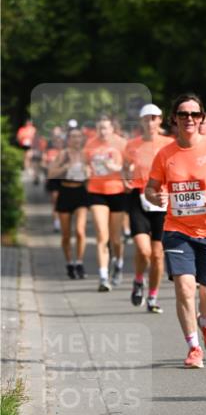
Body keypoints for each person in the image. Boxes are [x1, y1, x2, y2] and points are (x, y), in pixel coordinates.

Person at [144, 93, 206, 368]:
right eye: (183, 114)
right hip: (178, 229)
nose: (189, 119)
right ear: (174, 119)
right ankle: (193, 347)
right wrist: (156, 198)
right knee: (185, 287)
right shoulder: (165, 154)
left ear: (202, 119)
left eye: (195, 115)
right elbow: (150, 187)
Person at [123, 103, 173, 313]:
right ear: (141, 122)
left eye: (154, 118)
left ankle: (152, 297)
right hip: (139, 197)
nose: (150, 122)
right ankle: (137, 280)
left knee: (158, 255)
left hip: (162, 199)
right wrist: (125, 179)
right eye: (146, 119)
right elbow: (124, 170)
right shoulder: (132, 145)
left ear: (160, 120)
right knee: (143, 251)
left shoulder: (170, 143)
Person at [85, 116, 127, 291]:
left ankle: (118, 263)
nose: (102, 132)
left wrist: (116, 168)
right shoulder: (90, 145)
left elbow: (130, 166)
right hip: (96, 191)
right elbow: (85, 164)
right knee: (102, 235)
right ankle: (103, 277)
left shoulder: (122, 144)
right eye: (100, 128)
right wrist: (85, 171)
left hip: (117, 191)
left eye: (106, 128)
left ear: (112, 129)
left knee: (116, 239)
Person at [54, 128, 89, 279]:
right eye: (73, 136)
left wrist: (88, 171)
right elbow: (52, 173)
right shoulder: (63, 154)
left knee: (80, 231)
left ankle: (79, 262)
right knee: (66, 234)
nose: (76, 139)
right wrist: (64, 167)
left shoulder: (85, 154)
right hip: (65, 192)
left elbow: (92, 172)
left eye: (78, 136)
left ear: (82, 139)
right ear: (68, 139)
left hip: (80, 192)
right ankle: (69, 263)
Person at [45, 133, 65, 231]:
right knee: (55, 201)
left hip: (65, 180)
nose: (58, 143)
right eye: (57, 142)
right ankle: (56, 222)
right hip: (54, 180)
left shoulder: (67, 152)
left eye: (60, 142)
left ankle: (63, 221)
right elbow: (45, 164)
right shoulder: (50, 152)